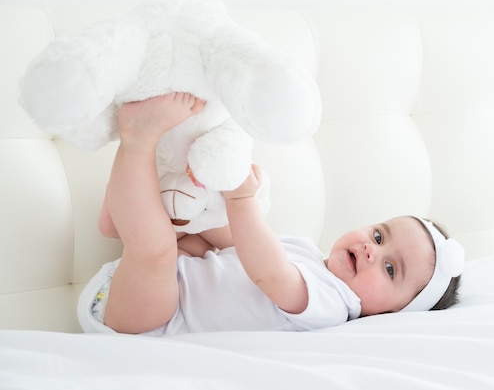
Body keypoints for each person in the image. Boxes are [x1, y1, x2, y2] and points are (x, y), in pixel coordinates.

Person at [78, 92, 464, 336]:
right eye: (380, 236)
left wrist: (242, 200)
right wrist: (216, 197)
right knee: (189, 234)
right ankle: (123, 219)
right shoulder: (308, 252)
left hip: (150, 321)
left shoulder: (332, 306)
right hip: (139, 286)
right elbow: (229, 241)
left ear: (390, 314)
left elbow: (269, 273)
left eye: (390, 269)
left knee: (157, 248)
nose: (370, 251)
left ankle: (139, 137)